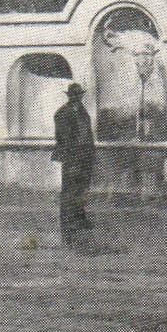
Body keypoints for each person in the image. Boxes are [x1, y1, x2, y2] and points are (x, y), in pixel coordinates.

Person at [52, 82, 96, 243]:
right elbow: (63, 138)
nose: (78, 98)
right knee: (70, 189)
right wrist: (72, 150)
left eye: (80, 95)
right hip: (72, 157)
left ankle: (79, 219)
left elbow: (88, 134)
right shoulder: (62, 113)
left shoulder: (83, 112)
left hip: (85, 155)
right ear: (70, 96)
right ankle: (67, 223)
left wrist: (90, 153)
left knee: (82, 188)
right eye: (75, 95)